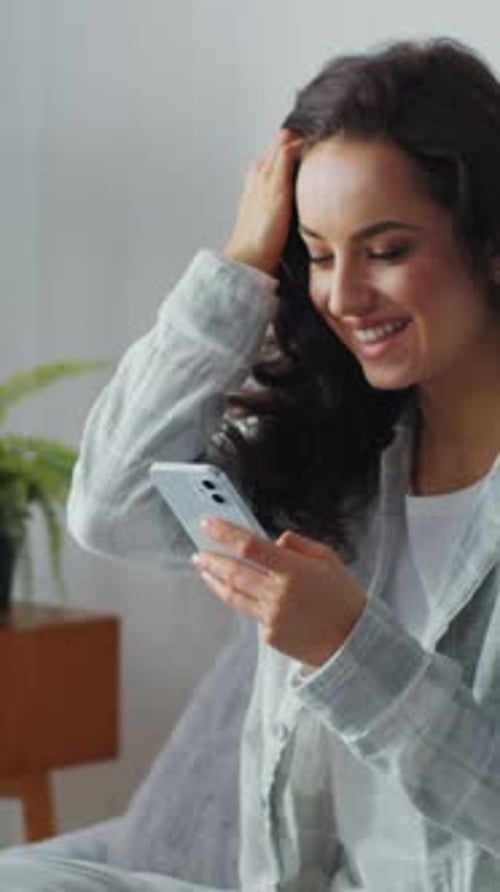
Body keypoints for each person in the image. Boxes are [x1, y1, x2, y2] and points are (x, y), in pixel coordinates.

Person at [3, 34, 500, 892]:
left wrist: (349, 647)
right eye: (316, 251)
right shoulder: (340, 458)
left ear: (491, 243)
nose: (343, 297)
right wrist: (238, 267)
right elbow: (112, 506)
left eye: (386, 250)